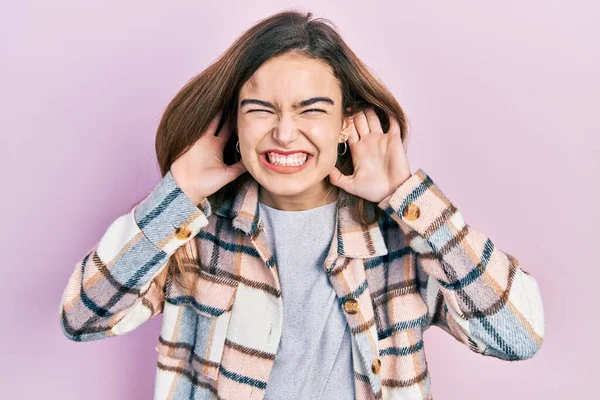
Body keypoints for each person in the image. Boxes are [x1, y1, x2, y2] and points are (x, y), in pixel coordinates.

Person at [58, 9, 545, 400]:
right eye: (261, 111)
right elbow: (82, 319)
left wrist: (407, 195)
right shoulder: (196, 235)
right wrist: (178, 193)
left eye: (311, 110)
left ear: (344, 126)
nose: (285, 133)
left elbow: (518, 337)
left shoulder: (401, 239)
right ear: (233, 125)